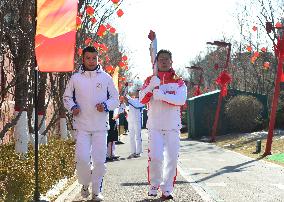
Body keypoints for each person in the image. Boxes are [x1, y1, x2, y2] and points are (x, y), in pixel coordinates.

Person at [63, 46, 119, 201]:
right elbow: (66, 97)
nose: (91, 61)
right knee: (82, 159)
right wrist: (72, 107)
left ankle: (96, 192)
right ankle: (85, 183)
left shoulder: (106, 78)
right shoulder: (75, 78)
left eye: (94, 58)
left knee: (100, 161)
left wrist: (106, 106)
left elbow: (116, 99)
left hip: (100, 127)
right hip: (82, 126)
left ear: (97, 58)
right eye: (88, 58)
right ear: (83, 59)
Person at [139, 49, 187, 200]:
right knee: (156, 157)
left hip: (173, 126)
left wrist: (162, 95)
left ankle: (167, 188)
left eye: (167, 59)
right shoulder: (150, 79)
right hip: (155, 126)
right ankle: (154, 184)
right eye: (161, 59)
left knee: (172, 159)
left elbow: (181, 100)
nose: (164, 61)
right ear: (156, 62)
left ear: (171, 61)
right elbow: (141, 99)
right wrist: (150, 87)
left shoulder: (179, 81)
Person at [125, 88, 145, 159]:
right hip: (131, 121)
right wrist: (125, 89)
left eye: (138, 92)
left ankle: (138, 152)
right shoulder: (132, 100)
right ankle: (132, 152)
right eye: (136, 92)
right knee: (131, 137)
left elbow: (136, 105)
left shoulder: (142, 101)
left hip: (137, 121)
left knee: (138, 137)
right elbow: (126, 96)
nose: (136, 93)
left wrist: (128, 99)